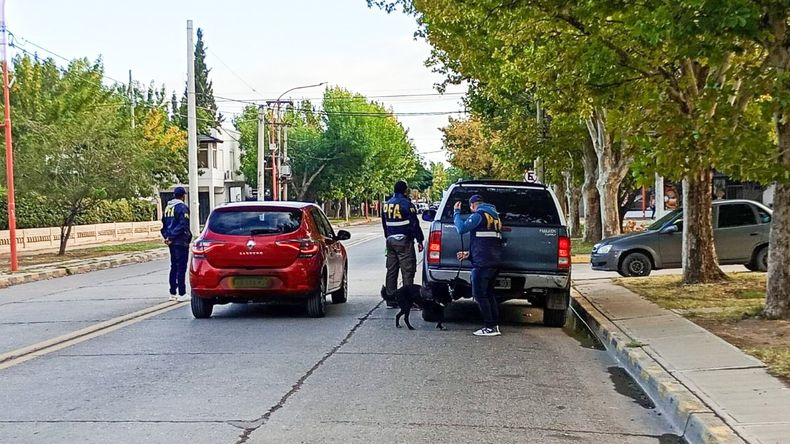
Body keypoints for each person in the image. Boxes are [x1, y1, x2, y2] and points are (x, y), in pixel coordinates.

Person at [454, 195, 504, 337]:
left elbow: (461, 229)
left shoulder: (479, 215)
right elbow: (486, 241)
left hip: (482, 263)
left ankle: (489, 327)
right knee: (489, 294)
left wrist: (456, 213)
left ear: (473, 205)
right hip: (494, 261)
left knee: (479, 294)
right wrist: (469, 254)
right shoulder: (495, 217)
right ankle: (494, 325)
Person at [382, 180, 424, 308]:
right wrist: (419, 240)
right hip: (404, 241)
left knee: (392, 270)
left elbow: (384, 224)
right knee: (407, 270)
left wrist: (388, 237)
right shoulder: (407, 204)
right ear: (405, 190)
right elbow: (414, 224)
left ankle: (390, 299)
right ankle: (407, 298)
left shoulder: (386, 204)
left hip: (390, 240)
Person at [161, 187, 193, 302]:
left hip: (171, 241)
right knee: (181, 267)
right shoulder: (182, 207)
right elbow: (183, 224)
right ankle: (182, 293)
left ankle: (172, 292)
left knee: (173, 266)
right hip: (180, 241)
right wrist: (172, 236)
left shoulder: (168, 208)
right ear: (183, 196)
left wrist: (167, 237)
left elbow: (163, 225)